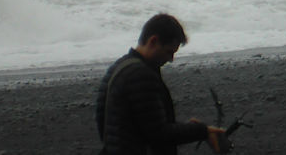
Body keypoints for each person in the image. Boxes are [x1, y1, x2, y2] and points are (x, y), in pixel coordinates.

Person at [95, 13, 228, 155]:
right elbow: (159, 134)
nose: (171, 59)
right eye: (169, 52)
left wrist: (189, 128)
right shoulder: (141, 75)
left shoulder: (118, 67)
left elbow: (104, 121)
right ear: (153, 41)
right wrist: (202, 130)